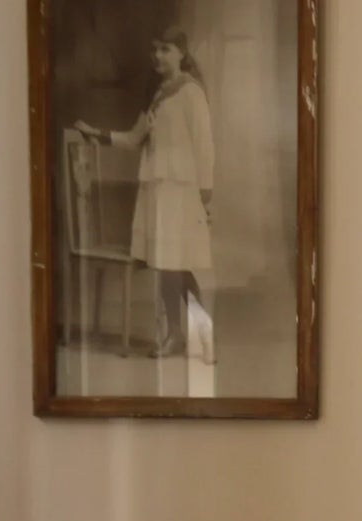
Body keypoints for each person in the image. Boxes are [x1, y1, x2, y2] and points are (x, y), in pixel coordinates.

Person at [78, 28, 215, 363]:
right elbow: (134, 138)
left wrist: (205, 194)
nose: (158, 56)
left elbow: (205, 144)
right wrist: (98, 135)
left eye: (165, 50)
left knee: (175, 267)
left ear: (181, 53)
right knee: (167, 266)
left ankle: (201, 335)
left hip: (180, 189)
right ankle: (179, 336)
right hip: (156, 188)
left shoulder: (191, 93)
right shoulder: (155, 94)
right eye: (154, 50)